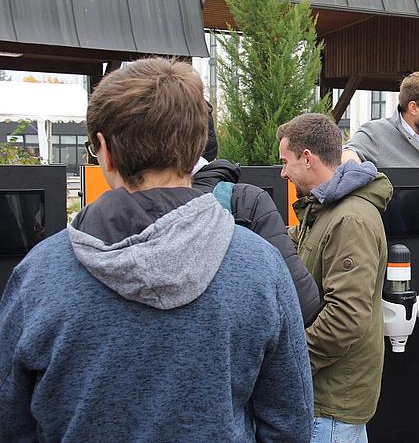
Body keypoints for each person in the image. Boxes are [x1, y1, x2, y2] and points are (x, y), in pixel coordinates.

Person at [0, 58, 313, 442]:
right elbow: (290, 422)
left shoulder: (40, 275)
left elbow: (10, 420)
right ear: (197, 144)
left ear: (103, 150)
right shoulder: (260, 267)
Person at [277, 113, 392, 443]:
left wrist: (290, 363)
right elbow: (297, 245)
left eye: (286, 162)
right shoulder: (325, 210)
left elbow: (345, 317)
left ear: (308, 158)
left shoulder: (350, 219)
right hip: (328, 399)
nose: (283, 172)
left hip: (331, 404)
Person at [192, 102, 322, 325]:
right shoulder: (245, 202)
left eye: (285, 163)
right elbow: (302, 302)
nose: (282, 173)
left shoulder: (115, 214)